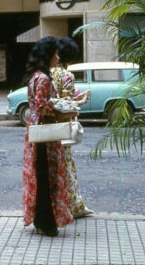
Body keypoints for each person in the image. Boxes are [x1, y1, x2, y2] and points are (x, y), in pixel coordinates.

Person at [22, 36, 73, 237]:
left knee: (40, 176)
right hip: (45, 134)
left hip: (35, 132)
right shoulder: (43, 78)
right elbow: (42, 106)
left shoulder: (35, 76)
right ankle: (46, 222)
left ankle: (41, 220)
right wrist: (62, 113)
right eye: (55, 54)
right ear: (48, 55)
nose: (58, 58)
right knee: (47, 177)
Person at [51, 37, 93, 219]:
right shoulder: (67, 75)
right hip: (62, 126)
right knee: (66, 166)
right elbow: (66, 103)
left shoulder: (49, 73)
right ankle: (73, 206)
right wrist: (81, 101)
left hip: (48, 127)